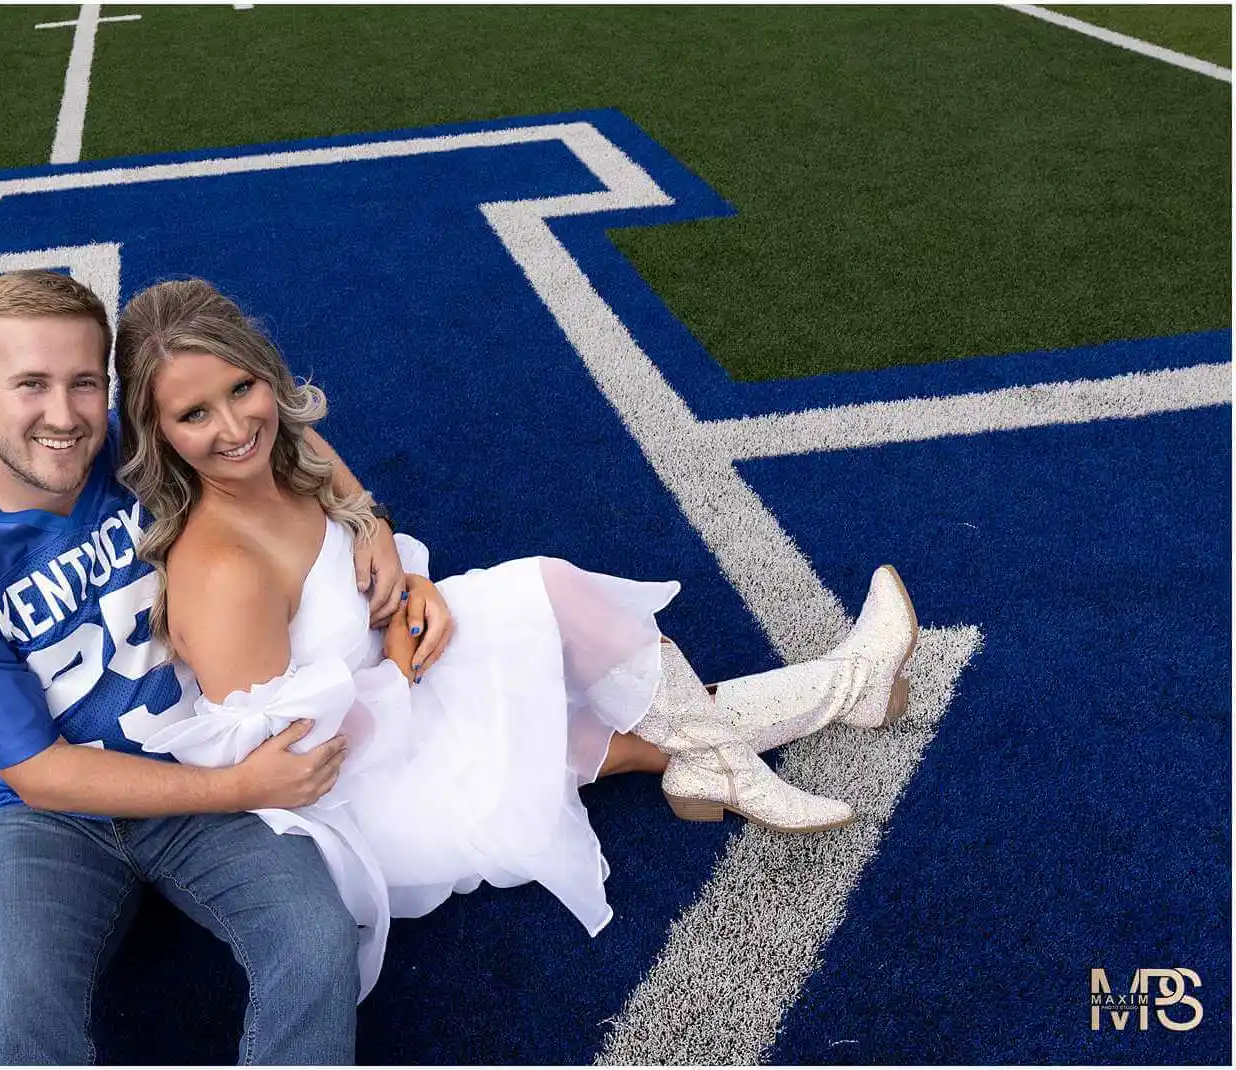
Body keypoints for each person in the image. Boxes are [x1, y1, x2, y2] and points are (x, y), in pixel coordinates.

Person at [108, 278, 921, 997]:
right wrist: (397, 644)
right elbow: (290, 759)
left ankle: (778, 728)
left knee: (575, 635)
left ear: (265, 373)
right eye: (193, 414)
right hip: (363, 778)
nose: (233, 427)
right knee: (595, 697)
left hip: (400, 680)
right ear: (157, 431)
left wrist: (400, 571)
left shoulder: (284, 446)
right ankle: (836, 690)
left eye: (242, 388)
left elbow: (358, 512)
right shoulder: (222, 572)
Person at [0, 270, 413, 1064]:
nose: (63, 417)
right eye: (32, 385)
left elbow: (277, 433)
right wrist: (239, 789)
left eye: (83, 384)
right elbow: (36, 773)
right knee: (17, 1027)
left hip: (196, 742)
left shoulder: (137, 436)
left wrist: (370, 519)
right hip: (59, 815)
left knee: (316, 937)